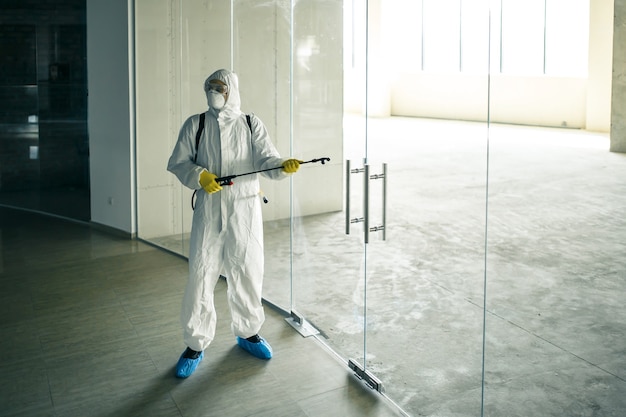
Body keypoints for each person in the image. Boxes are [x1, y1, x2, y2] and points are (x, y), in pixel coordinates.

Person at [167, 69, 301, 378]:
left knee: (248, 270)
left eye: (221, 87)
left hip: (245, 210)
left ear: (232, 91)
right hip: (209, 210)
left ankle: (248, 332)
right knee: (201, 274)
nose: (215, 91)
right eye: (211, 86)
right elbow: (178, 161)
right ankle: (195, 344)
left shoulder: (250, 124)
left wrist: (284, 166)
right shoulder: (195, 124)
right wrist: (200, 176)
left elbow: (268, 160)